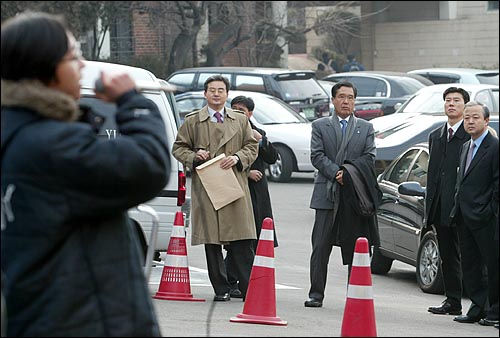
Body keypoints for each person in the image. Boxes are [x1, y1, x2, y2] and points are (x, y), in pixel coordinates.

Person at [1, 12, 169, 336]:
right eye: (74, 56)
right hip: (82, 320)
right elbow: (147, 165)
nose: (81, 66)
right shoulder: (50, 144)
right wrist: (133, 103)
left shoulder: (16, 134)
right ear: (42, 67)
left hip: (33, 313)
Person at [172, 75, 258, 302]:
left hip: (234, 185)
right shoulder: (193, 121)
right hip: (207, 186)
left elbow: (251, 145)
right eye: (212, 90)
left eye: (221, 90)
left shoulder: (239, 120)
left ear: (227, 94)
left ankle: (248, 289)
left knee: (242, 240)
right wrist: (195, 156)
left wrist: (238, 158)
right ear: (205, 94)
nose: (216, 94)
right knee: (212, 242)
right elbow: (178, 148)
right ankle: (221, 289)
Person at [305, 81, 381, 308]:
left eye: (350, 97)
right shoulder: (320, 125)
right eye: (342, 97)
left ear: (355, 101)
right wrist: (336, 173)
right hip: (326, 194)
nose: (346, 101)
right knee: (320, 246)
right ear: (333, 100)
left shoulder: (365, 128)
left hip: (354, 194)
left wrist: (347, 174)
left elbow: (369, 157)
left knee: (357, 247)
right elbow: (316, 156)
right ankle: (316, 294)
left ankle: (355, 295)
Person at [224, 95, 279, 298]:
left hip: (257, 195)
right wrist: (246, 173)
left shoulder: (257, 132)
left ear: (250, 113)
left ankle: (243, 281)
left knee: (254, 237)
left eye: (243, 110)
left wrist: (261, 140)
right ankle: (230, 281)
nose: (239, 113)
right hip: (234, 189)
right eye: (235, 109)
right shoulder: (225, 130)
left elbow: (272, 158)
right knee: (236, 239)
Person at [450, 102, 499, 326]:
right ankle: (477, 307)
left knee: (492, 265)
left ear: (486, 121)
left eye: (475, 118)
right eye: (467, 118)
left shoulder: (495, 146)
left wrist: (489, 210)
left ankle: (495, 311)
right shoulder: (465, 146)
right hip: (464, 216)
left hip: (486, 218)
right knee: (470, 265)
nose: (470, 121)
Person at [426, 87, 470, 316]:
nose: (451, 104)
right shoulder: (436, 136)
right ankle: (452, 301)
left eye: (456, 101)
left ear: (465, 106)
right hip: (440, 207)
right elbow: (432, 175)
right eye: (447, 101)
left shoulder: (471, 135)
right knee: (447, 256)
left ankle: (480, 304)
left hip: (463, 208)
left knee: (472, 257)